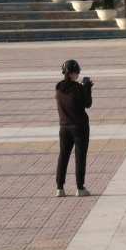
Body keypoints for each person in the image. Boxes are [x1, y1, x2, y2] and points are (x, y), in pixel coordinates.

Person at [55, 59, 93, 197]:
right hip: (79, 127)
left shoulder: (58, 87)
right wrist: (87, 87)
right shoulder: (77, 88)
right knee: (80, 157)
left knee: (63, 156)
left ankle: (59, 187)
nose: (78, 74)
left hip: (64, 127)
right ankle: (80, 187)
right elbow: (87, 103)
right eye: (77, 72)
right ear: (73, 73)